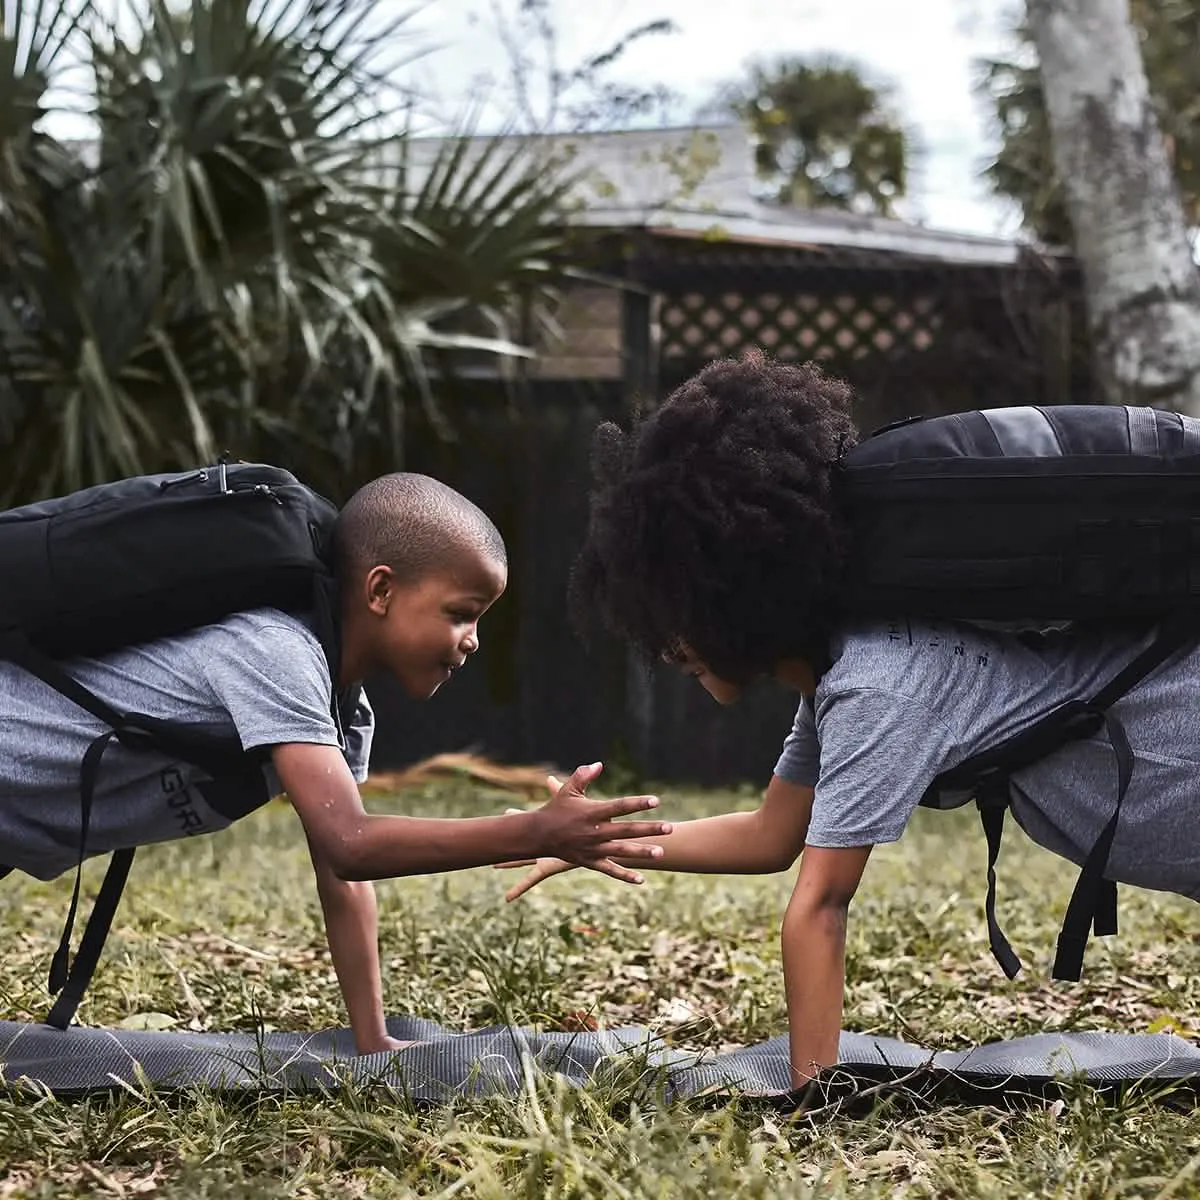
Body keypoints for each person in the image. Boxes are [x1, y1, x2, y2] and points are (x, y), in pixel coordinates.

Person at [500, 351, 1200, 1091]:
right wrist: (593, 841)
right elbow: (769, 837)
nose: (666, 640)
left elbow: (820, 905)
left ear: (735, 587)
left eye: (679, 602)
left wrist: (813, 1099)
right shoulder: (845, 669)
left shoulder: (877, 684)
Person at [0, 473, 671, 1053]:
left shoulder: (345, 714)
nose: (472, 642)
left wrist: (372, 1038)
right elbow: (351, 844)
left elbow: (344, 882)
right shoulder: (276, 653)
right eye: (461, 614)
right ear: (380, 590)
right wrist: (534, 831)